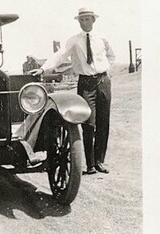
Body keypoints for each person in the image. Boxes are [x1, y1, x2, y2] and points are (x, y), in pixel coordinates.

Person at [29, 7, 115, 174]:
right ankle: (89, 165)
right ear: (79, 22)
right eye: (81, 20)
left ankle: (99, 161)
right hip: (86, 83)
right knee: (87, 122)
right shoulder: (74, 40)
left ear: (93, 20)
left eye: (87, 19)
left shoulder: (102, 38)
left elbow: (112, 56)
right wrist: (43, 69)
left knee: (103, 122)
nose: (84, 23)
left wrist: (107, 71)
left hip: (103, 81)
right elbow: (60, 55)